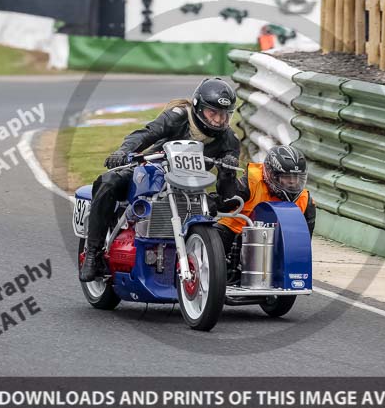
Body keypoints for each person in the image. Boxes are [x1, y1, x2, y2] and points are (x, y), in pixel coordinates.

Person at [79, 78, 240, 281]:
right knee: (108, 181)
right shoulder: (178, 116)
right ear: (199, 108)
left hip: (191, 187)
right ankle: (93, 254)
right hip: (153, 171)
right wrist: (124, 151)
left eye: (224, 115)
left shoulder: (229, 139)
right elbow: (147, 133)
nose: (218, 120)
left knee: (223, 204)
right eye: (213, 113)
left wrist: (227, 171)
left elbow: (227, 192)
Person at [215, 145, 316, 256]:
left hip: (276, 243)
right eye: (287, 177)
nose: (292, 182)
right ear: (271, 174)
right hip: (236, 233)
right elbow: (226, 202)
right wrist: (226, 177)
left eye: (296, 177)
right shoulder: (252, 181)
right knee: (215, 240)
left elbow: (303, 245)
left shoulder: (305, 200)